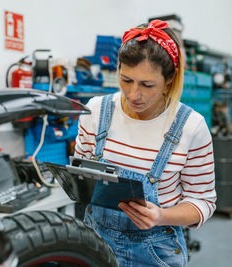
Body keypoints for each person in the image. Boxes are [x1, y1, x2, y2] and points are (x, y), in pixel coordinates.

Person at [74, 19, 216, 267]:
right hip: (95, 242)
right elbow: (82, 174)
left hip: (155, 251)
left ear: (169, 80)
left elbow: (203, 202)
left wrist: (161, 216)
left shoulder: (191, 127)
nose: (133, 94)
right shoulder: (95, 111)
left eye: (147, 85)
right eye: (126, 80)